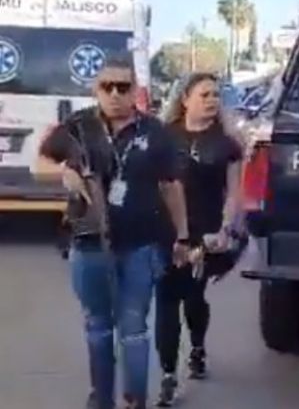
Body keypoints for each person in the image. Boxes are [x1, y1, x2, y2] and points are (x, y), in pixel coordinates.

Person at [34, 56, 189, 409]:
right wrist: (63, 174)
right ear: (96, 89)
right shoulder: (78, 126)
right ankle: (101, 400)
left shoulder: (154, 131)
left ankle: (135, 400)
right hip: (89, 242)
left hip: (142, 243)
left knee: (134, 329)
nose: (116, 94)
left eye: (124, 87)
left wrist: (182, 236)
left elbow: (171, 186)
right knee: (98, 327)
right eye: (108, 87)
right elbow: (41, 160)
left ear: (135, 90)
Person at [155, 73, 245, 406]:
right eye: (204, 94)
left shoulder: (227, 144)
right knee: (165, 300)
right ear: (185, 99)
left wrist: (225, 229)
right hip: (167, 232)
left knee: (193, 297)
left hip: (206, 234)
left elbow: (234, 194)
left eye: (216, 95)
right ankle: (167, 375)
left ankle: (197, 347)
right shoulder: (164, 137)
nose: (211, 100)